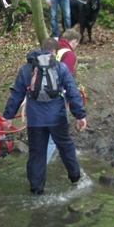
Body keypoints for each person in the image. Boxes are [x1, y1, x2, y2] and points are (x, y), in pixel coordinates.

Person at [3, 38, 87, 194]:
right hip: (58, 118)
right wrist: (80, 115)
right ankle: (76, 178)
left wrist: (8, 116)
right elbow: (73, 92)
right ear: (54, 52)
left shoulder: (26, 69)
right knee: (66, 147)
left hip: (35, 120)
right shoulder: (61, 68)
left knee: (37, 154)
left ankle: (36, 190)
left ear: (40, 48)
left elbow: (16, 94)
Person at [47, 28, 81, 163]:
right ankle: (41, 167)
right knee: (56, 133)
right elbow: (66, 78)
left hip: (43, 94)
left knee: (60, 126)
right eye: (77, 43)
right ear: (74, 41)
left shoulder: (55, 48)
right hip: (58, 96)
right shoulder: (69, 54)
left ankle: (64, 152)